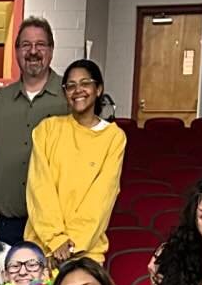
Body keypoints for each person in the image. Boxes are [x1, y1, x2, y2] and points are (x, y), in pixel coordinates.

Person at [24, 59, 126, 265]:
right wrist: (55, 239)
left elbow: (102, 197)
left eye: (85, 83)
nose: (77, 90)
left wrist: (70, 245)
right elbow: (39, 188)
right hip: (42, 248)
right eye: (71, 85)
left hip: (85, 252)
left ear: (98, 89)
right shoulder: (47, 129)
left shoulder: (114, 137)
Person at [0, 16, 65, 247]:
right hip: (8, 227)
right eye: (26, 45)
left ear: (51, 50)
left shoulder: (70, 100)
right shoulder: (0, 102)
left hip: (59, 231)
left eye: (40, 44)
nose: (33, 51)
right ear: (16, 52)